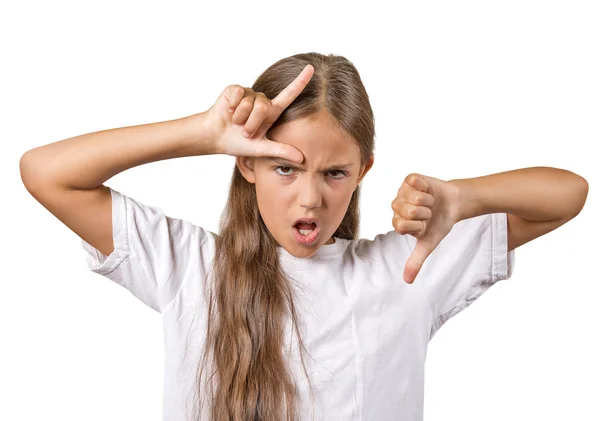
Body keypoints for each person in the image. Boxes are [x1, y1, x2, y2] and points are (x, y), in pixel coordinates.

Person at [19, 52, 589, 421]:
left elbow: (569, 193)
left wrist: (466, 196)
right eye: (285, 168)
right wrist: (201, 133)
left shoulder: (407, 269)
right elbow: (47, 174)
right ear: (247, 164)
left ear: (363, 171)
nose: (310, 197)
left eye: (333, 173)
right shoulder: (190, 269)